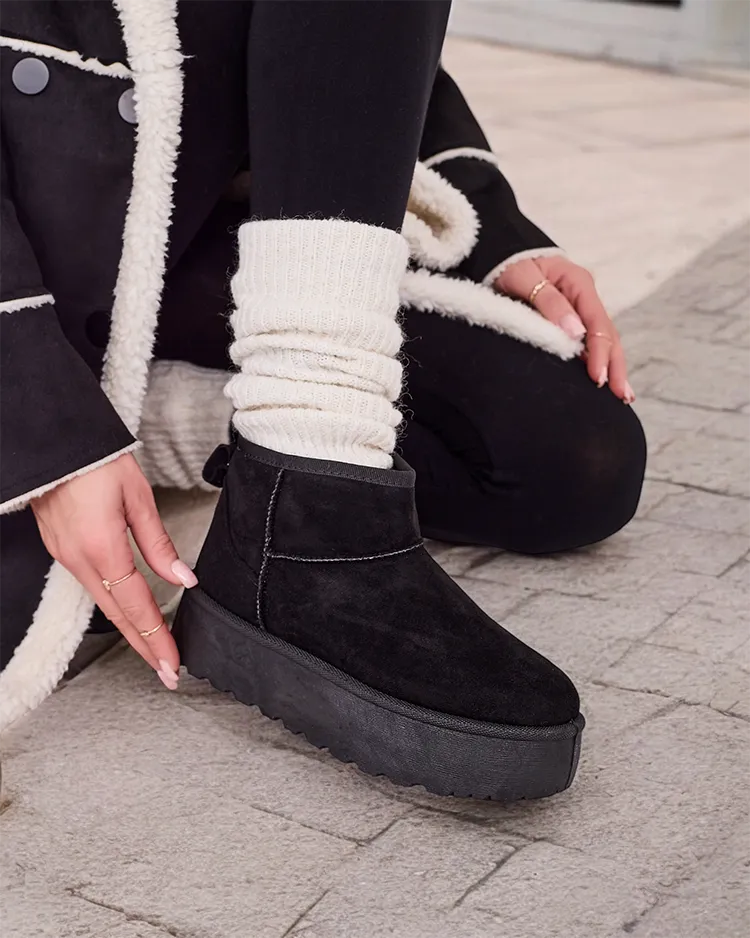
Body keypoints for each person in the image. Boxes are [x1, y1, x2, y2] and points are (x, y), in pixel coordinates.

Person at [0, 1, 644, 800]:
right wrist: (43, 429)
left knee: (568, 454)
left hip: (197, 213)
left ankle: (289, 459)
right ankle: (289, 512)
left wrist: (494, 220)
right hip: (34, 231)